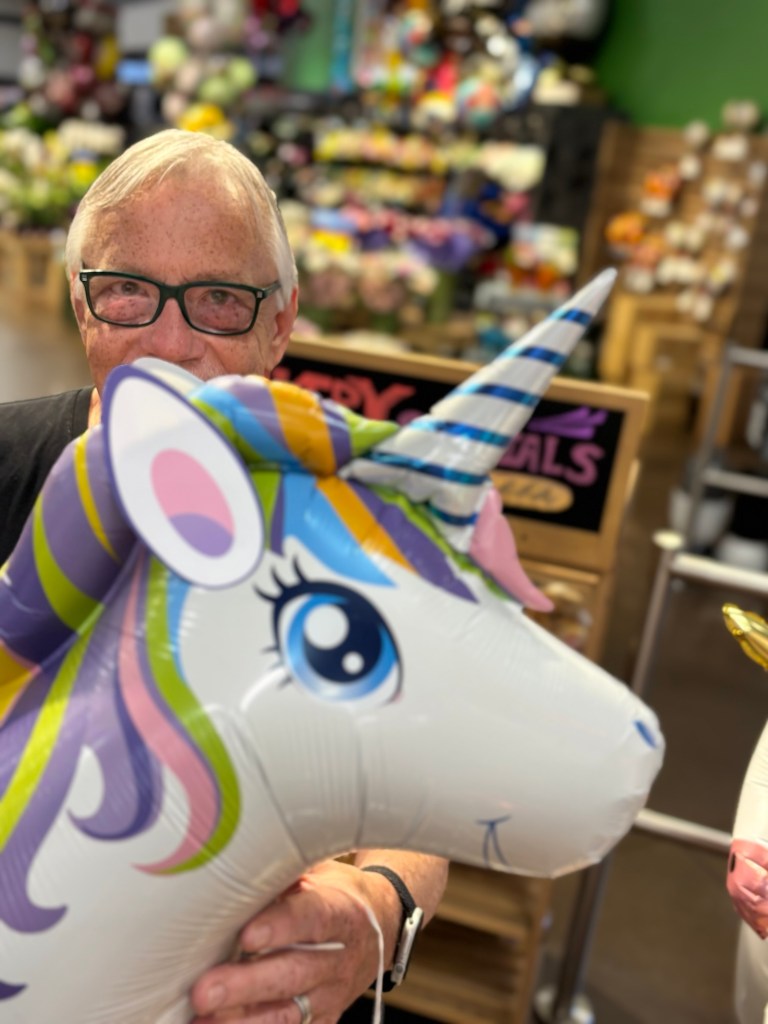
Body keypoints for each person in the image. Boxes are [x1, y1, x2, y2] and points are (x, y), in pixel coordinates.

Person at [0, 128, 449, 1024]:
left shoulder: (360, 524)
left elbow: (417, 802)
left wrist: (377, 912)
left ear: (279, 325)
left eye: (217, 300)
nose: (170, 342)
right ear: (83, 304)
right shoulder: (8, 463)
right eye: (129, 290)